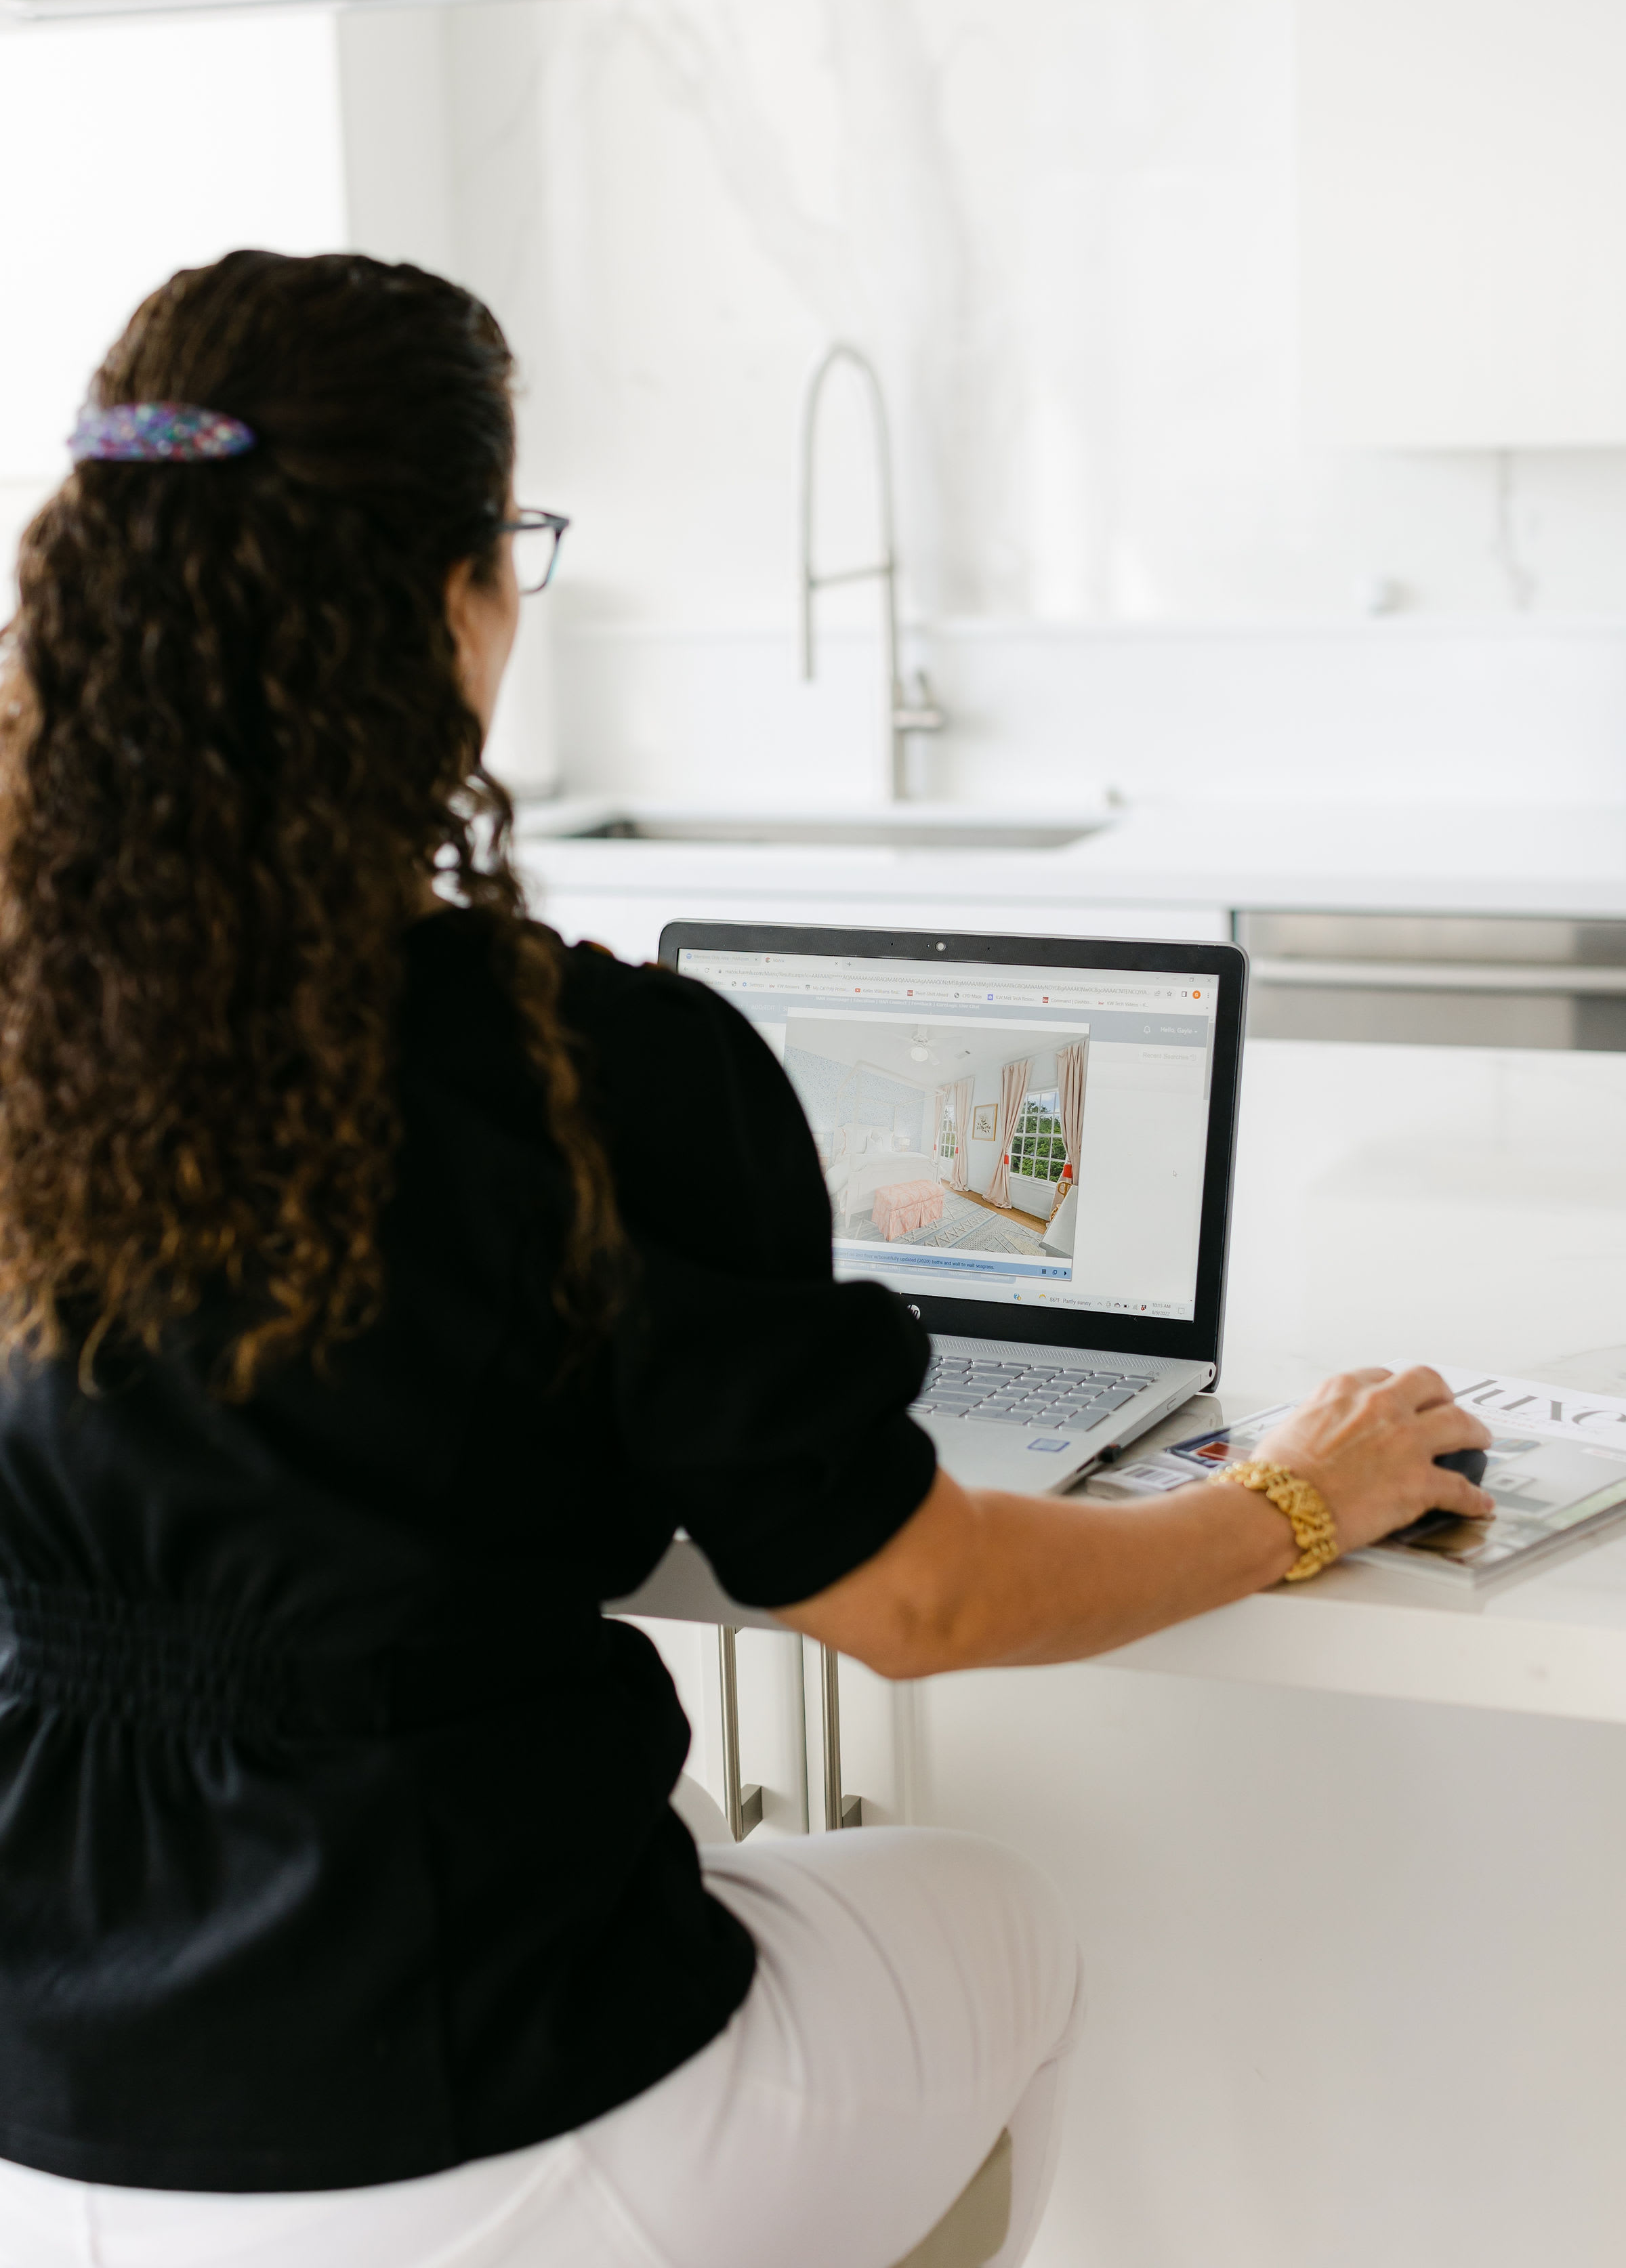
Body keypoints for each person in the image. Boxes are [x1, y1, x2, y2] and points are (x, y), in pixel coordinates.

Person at [0, 251, 1495, 2268]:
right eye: (512, 542)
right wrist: (1290, 1506)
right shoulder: (583, 1071)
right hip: (468, 2112)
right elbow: (919, 1598)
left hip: (51, 2125)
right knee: (1003, 1929)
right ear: (450, 599)